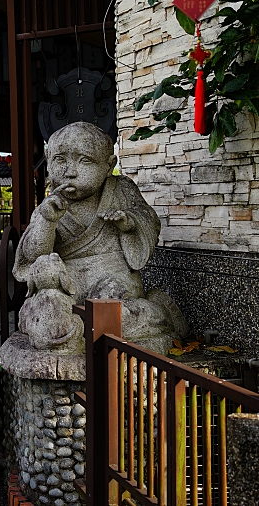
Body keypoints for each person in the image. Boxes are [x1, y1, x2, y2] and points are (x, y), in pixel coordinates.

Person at [13, 122, 187, 354]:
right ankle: (69, 328)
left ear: (109, 166)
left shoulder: (121, 190)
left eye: (84, 161)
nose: (70, 171)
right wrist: (47, 220)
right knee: (45, 311)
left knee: (120, 314)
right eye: (60, 160)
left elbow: (149, 219)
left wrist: (130, 223)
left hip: (113, 283)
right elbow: (33, 256)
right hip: (68, 286)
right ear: (48, 160)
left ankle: (157, 310)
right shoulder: (50, 205)